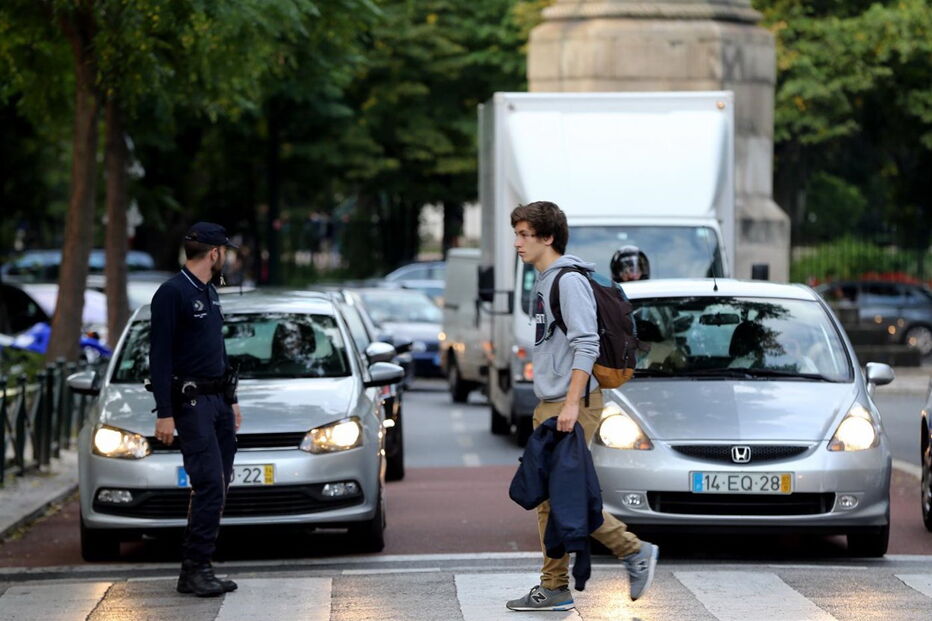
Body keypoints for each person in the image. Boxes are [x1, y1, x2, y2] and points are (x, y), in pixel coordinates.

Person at [507, 201, 658, 612]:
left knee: (563, 493)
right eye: (516, 234)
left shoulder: (567, 282)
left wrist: (572, 404)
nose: (517, 242)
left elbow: (586, 343)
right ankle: (555, 585)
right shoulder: (543, 280)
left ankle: (631, 551)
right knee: (547, 497)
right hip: (552, 401)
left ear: (548, 237)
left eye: (524, 234)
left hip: (571, 403)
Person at [149, 222, 242, 597]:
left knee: (218, 483)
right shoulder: (172, 293)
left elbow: (216, 352)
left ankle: (201, 565)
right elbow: (160, 357)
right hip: (190, 403)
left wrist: (232, 399)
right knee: (207, 484)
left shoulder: (209, 291)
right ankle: (194, 569)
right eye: (225, 252)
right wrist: (164, 412)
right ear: (215, 253)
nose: (226, 258)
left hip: (217, 401)